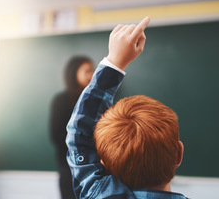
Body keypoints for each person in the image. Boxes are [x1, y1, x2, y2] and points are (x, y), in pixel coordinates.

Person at [66, 17, 188, 199]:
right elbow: (80, 139)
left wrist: (114, 62)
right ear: (179, 153)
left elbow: (79, 136)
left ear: (104, 163)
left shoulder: (99, 194)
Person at [49, 56, 94, 199]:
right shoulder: (61, 100)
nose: (91, 75)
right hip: (69, 167)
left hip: (93, 167)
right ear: (74, 72)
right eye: (87, 71)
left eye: (93, 70)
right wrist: (85, 141)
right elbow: (56, 135)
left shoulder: (94, 100)